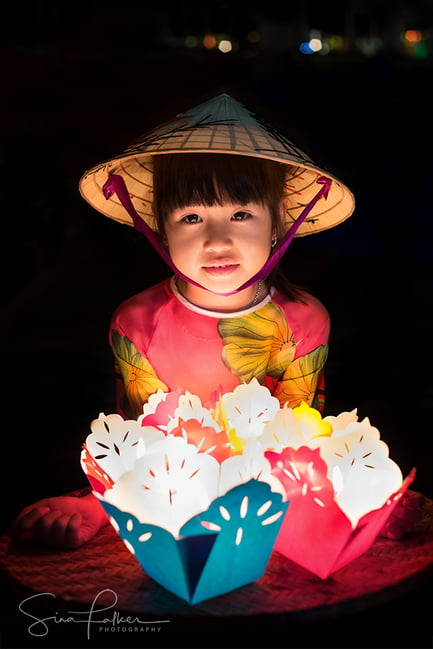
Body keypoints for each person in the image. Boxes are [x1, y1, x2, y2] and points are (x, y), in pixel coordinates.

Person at [9, 93, 423, 549]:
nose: (217, 240)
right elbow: (137, 440)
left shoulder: (304, 319)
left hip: (269, 489)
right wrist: (101, 502)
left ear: (279, 220)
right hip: (169, 488)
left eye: (241, 214)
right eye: (191, 217)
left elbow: (300, 434)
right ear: (160, 227)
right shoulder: (137, 321)